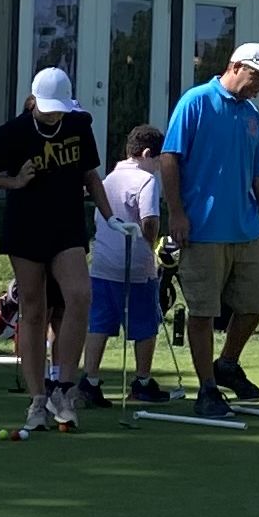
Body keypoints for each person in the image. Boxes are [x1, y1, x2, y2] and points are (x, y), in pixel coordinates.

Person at [0, 67, 108, 434]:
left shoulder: (78, 125)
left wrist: (111, 217)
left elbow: (91, 176)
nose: (56, 115)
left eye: (60, 108)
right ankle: (37, 398)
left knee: (79, 295)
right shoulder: (16, 131)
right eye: (50, 108)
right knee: (34, 309)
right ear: (35, 102)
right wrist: (12, 182)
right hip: (26, 227)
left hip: (67, 226)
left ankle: (64, 389)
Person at [162, 42, 259, 420]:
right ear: (235, 66)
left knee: (258, 300)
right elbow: (170, 159)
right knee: (203, 311)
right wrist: (176, 213)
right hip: (202, 228)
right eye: (257, 77)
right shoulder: (196, 101)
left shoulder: (251, 115)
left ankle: (227, 364)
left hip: (247, 227)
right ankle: (207, 388)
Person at [81, 123, 171, 405]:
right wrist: (152, 246)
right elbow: (149, 221)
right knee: (145, 324)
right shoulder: (146, 180)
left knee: (99, 323)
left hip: (103, 263)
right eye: (157, 159)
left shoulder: (108, 178)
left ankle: (89, 381)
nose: (159, 166)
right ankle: (142, 382)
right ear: (146, 154)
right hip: (135, 265)